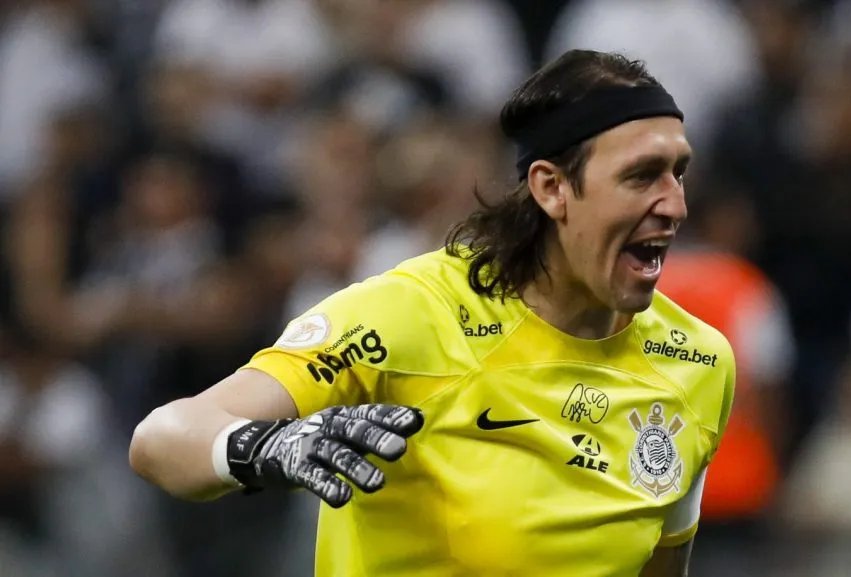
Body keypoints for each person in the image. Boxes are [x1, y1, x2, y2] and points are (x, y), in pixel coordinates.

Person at [129, 49, 736, 577]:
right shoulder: (414, 314)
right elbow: (161, 441)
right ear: (551, 188)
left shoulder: (699, 364)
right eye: (641, 177)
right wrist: (269, 446)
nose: (676, 205)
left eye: (679, 172)